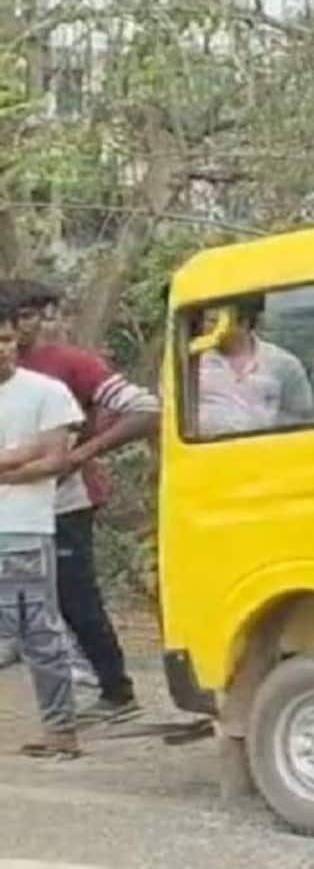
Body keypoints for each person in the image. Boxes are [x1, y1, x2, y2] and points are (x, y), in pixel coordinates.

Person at [2, 279, 160, 722]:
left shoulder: (69, 366)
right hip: (9, 506)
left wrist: (80, 454)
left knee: (75, 599)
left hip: (61, 503)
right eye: (18, 317)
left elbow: (146, 409)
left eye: (31, 316)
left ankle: (116, 691)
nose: (24, 328)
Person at [0, 311, 86, 758]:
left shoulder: (46, 392)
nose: (2, 349)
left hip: (24, 529)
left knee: (39, 634)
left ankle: (60, 731)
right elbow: (40, 451)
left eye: (6, 339)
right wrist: (20, 454)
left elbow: (56, 459)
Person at [195, 295, 313, 437]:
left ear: (243, 323)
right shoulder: (192, 362)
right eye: (206, 320)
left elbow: (300, 416)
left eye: (214, 321)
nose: (206, 327)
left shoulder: (284, 364)